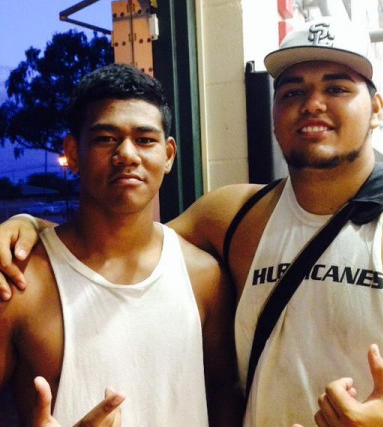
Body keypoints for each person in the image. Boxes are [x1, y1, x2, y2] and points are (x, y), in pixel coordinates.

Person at [1, 18, 383, 426]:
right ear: (274, 114)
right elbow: (117, 240)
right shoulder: (235, 216)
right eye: (292, 92)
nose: (313, 104)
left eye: (337, 89)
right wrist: (28, 227)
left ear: (376, 108)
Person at [0, 64, 242, 426]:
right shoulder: (21, 282)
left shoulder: (204, 277)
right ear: (73, 153)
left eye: (145, 140)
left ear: (168, 155)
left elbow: (225, 396)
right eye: (105, 139)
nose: (127, 154)